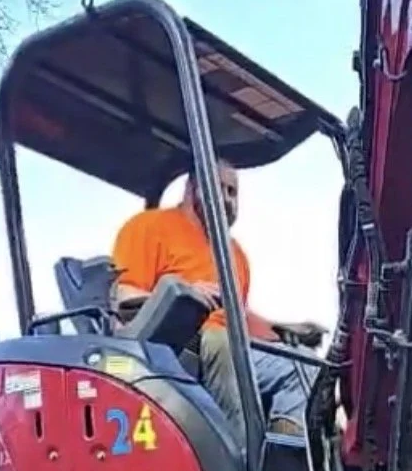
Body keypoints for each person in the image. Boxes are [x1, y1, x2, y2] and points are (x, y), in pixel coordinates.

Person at [110, 158, 324, 435]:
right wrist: (184, 294)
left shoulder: (235, 255)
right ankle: (240, 455)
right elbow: (125, 296)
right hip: (175, 346)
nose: (226, 199)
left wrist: (282, 330)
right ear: (192, 187)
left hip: (229, 345)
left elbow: (239, 319)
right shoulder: (149, 227)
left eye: (232, 192)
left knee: (305, 364)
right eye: (218, 187)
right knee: (219, 340)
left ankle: (286, 458)